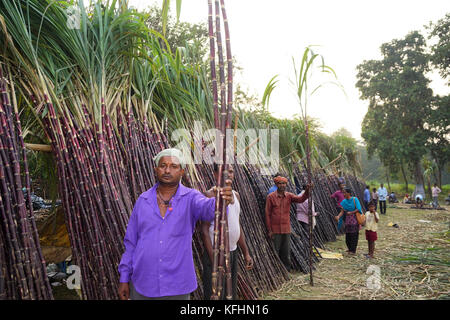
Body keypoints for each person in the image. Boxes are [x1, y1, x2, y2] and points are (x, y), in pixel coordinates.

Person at [117, 148, 234, 300]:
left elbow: (209, 209)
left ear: (182, 172)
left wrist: (222, 201)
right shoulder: (142, 201)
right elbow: (131, 243)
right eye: (163, 165)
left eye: (174, 166)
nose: (167, 170)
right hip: (142, 283)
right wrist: (124, 278)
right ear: (156, 169)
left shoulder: (191, 198)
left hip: (177, 285)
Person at [201, 164, 253, 300]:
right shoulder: (209, 195)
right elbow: (204, 230)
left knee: (229, 292)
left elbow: (237, 225)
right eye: (225, 171)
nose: (229, 174)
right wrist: (213, 259)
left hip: (232, 251)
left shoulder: (236, 195)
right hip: (216, 253)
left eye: (231, 171)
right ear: (215, 175)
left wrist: (246, 253)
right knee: (215, 293)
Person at [265, 175, 311, 270]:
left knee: (286, 251)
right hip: (275, 229)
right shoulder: (271, 197)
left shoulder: (289, 196)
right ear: (276, 184)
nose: (282, 185)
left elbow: (301, 199)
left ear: (286, 185)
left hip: (286, 229)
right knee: (275, 250)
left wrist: (307, 191)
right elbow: (267, 214)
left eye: (284, 183)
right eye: (280, 183)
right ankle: (276, 270)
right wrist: (269, 230)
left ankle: (286, 269)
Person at [334, 188, 363, 255]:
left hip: (354, 220)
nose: (343, 194)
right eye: (343, 193)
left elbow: (358, 209)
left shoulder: (355, 199)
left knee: (354, 235)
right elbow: (342, 211)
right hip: (347, 221)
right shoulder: (344, 202)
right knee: (348, 235)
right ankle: (350, 248)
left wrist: (351, 212)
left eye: (345, 193)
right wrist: (338, 217)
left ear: (349, 193)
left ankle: (353, 250)